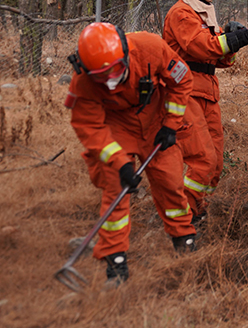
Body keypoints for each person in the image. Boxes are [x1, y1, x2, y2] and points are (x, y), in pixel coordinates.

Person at [65, 22, 200, 285]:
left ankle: (184, 238)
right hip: (116, 125)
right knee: (116, 187)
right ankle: (115, 260)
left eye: (115, 70)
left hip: (155, 118)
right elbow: (89, 127)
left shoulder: (151, 47)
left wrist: (171, 124)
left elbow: (182, 80)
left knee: (170, 181)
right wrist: (120, 164)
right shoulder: (83, 81)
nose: (109, 80)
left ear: (126, 53)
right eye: (100, 76)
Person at [163, 0, 248, 225]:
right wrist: (240, 37)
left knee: (216, 161)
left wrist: (235, 40)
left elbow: (220, 59)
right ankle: (186, 218)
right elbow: (202, 47)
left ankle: (202, 209)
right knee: (203, 159)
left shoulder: (203, 13)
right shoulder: (181, 13)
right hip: (185, 94)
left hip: (207, 94)